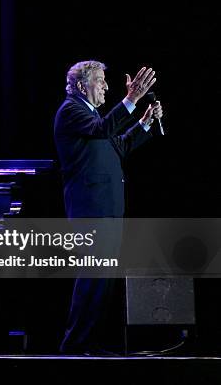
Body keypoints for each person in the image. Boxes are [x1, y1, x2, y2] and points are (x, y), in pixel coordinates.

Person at [53, 61, 163, 354]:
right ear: (81, 86)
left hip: (107, 209)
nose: (106, 86)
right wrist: (131, 99)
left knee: (102, 282)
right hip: (91, 210)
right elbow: (103, 129)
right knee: (92, 279)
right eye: (100, 81)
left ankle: (88, 343)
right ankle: (74, 346)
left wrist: (144, 124)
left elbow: (120, 147)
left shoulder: (92, 115)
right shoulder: (71, 111)